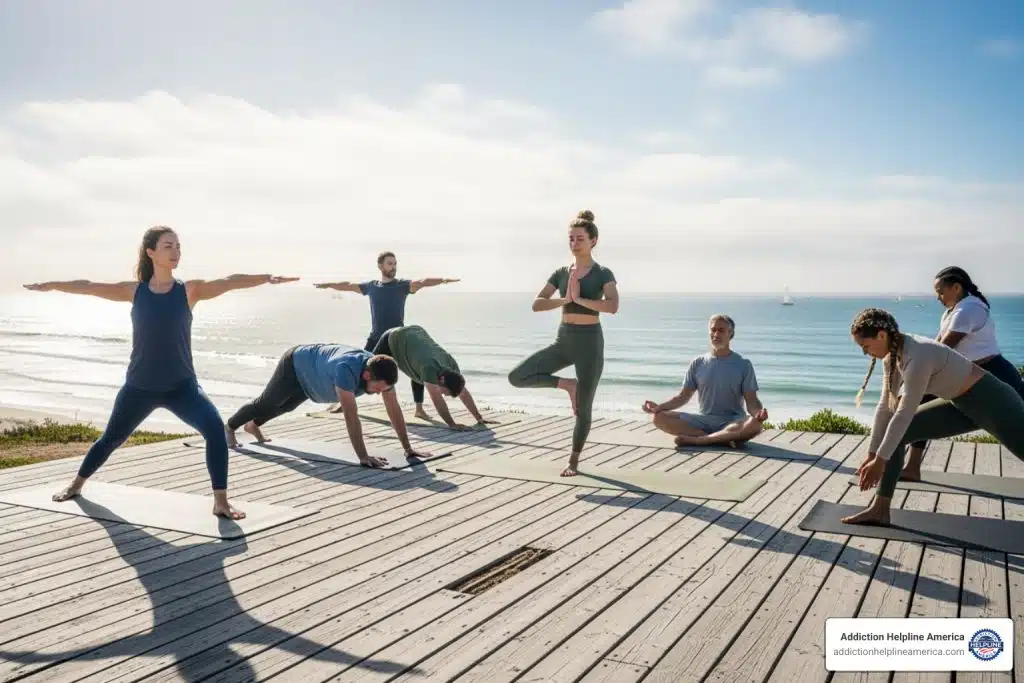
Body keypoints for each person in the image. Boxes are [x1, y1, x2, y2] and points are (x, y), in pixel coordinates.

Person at [22, 226, 299, 519]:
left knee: (216, 431)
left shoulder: (189, 290)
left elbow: (229, 282)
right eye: (168, 246)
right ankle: (77, 484)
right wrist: (51, 284)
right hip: (139, 388)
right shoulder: (135, 291)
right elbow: (89, 285)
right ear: (151, 252)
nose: (176, 252)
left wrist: (265, 279)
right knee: (111, 439)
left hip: (182, 388)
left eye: (178, 246)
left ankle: (221, 501)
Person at [843, 308, 1024, 526]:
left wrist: (881, 462)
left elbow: (905, 411)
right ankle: (880, 510)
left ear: (881, 335)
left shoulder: (918, 354)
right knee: (898, 436)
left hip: (992, 402)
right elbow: (885, 407)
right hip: (960, 404)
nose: (865, 353)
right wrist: (873, 453)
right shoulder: (891, 358)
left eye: (865, 346)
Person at [507, 209, 619, 477]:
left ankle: (573, 460)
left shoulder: (603, 273)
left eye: (579, 238)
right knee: (517, 376)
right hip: (564, 340)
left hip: (590, 345)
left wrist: (580, 300)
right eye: (571, 238)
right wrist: (565, 300)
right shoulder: (560, 272)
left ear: (593, 240)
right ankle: (567, 384)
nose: (574, 243)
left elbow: (612, 306)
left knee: (584, 407)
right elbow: (537, 304)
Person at [901, 266, 1024, 481]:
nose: (938, 297)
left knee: (1017, 438)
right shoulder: (954, 310)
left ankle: (911, 466)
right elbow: (936, 344)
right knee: (922, 401)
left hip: (995, 377)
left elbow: (944, 348)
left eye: (940, 292)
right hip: (970, 377)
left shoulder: (969, 309)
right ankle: (912, 467)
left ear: (956, 287)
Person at [312, 251, 460, 421]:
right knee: (359, 367)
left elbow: (423, 282)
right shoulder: (372, 286)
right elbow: (348, 285)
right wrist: (328, 285)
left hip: (397, 339)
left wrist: (443, 280)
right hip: (376, 337)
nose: (393, 267)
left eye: (395, 264)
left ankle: (419, 409)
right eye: (390, 263)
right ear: (380, 266)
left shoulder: (402, 286)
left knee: (416, 368)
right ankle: (343, 401)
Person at [225, 345, 428, 467]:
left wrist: (408, 448)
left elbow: (394, 411)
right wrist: (363, 457)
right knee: (268, 402)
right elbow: (351, 416)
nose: (378, 393)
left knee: (285, 407)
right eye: (377, 389)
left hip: (312, 377)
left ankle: (253, 426)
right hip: (296, 363)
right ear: (367, 375)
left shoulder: (381, 374)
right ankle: (230, 427)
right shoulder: (346, 370)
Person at [642, 314, 769, 447]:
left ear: (730, 334)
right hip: (703, 421)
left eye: (721, 330)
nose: (716, 334)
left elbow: (752, 401)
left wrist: (758, 414)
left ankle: (700, 440)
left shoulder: (743, 364)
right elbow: (683, 397)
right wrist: (658, 407)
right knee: (659, 418)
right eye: (713, 330)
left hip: (733, 422)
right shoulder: (698, 363)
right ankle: (719, 438)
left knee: (755, 425)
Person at [372, 325, 495, 430]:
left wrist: (479, 418)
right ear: (442, 380)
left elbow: (463, 392)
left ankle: (419, 411)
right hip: (393, 338)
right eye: (445, 392)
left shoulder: (451, 365)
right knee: (367, 371)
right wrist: (452, 424)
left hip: (414, 336)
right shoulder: (429, 368)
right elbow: (437, 400)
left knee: (420, 375)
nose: (444, 395)